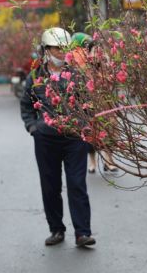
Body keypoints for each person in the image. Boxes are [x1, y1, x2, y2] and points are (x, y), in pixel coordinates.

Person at [20, 27, 95, 247]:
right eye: (56, 48)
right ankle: (56, 229)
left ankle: (82, 232)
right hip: (46, 140)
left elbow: (88, 104)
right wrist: (33, 127)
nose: (61, 53)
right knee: (50, 186)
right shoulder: (35, 77)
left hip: (74, 138)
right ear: (46, 50)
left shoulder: (76, 75)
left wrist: (84, 126)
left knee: (76, 184)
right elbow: (26, 106)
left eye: (65, 48)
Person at [70, 32, 117, 174]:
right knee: (91, 133)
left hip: (106, 103)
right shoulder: (83, 67)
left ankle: (109, 161)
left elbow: (112, 81)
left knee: (110, 131)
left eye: (99, 51)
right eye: (94, 50)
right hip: (89, 104)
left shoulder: (106, 65)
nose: (97, 53)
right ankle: (92, 162)